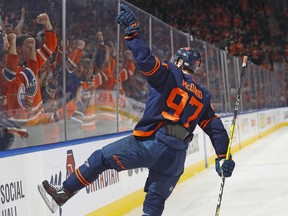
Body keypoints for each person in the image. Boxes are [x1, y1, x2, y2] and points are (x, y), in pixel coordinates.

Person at [38, 4, 235, 215]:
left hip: (152, 143)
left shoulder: (171, 72)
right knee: (155, 201)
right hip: (176, 157)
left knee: (100, 159)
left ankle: (64, 192)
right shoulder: (203, 94)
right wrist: (223, 156)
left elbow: (146, 62)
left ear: (179, 61)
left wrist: (132, 34)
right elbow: (215, 128)